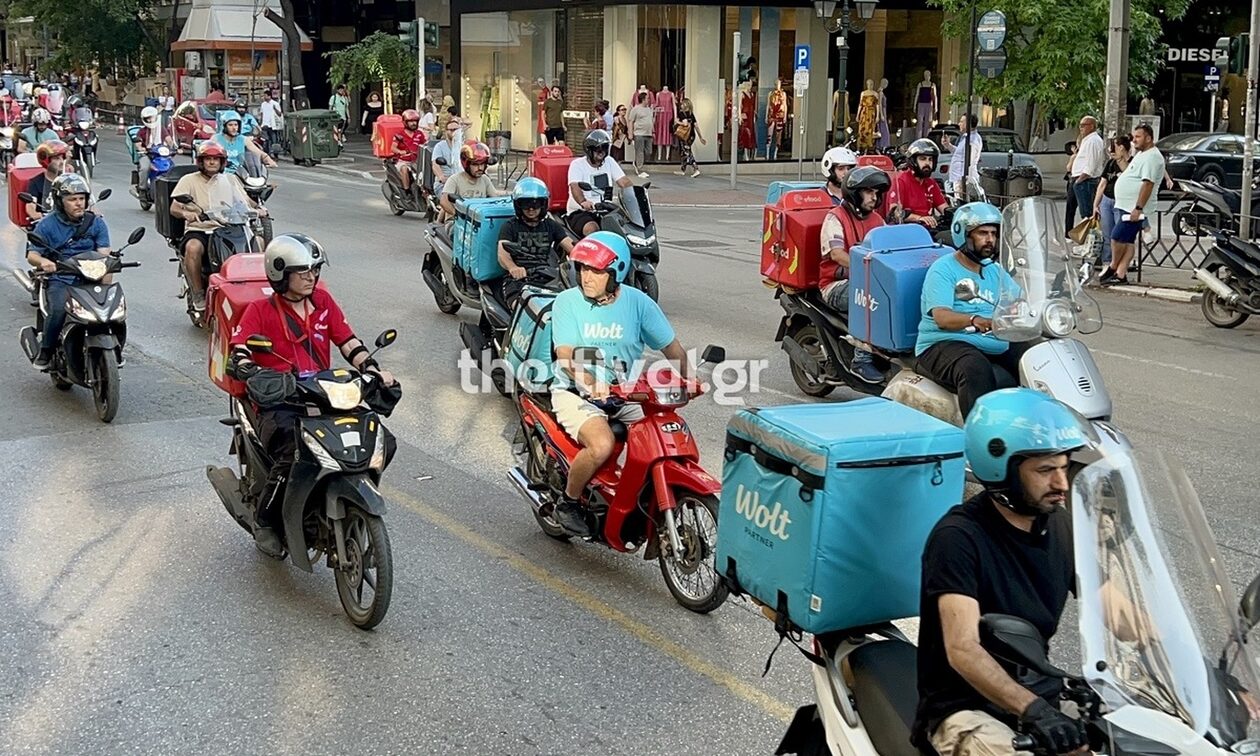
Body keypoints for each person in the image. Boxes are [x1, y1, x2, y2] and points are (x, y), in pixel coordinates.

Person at [913, 388, 1091, 756]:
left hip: (1034, 698)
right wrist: (1035, 710)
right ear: (1002, 468)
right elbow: (963, 649)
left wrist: (1195, 673)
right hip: (965, 709)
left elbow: (1118, 611)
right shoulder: (958, 538)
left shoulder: (1060, 526)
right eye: (1045, 471)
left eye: (1063, 467)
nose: (1061, 484)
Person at [228, 234, 397, 557]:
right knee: (292, 452)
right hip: (280, 401)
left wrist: (373, 369)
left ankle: (347, 491)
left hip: (324, 395)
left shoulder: (323, 302)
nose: (311, 276)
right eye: (301, 271)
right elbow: (238, 352)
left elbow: (348, 342)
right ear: (280, 274)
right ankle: (266, 520)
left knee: (382, 441)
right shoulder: (259, 311)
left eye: (314, 270)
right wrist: (251, 369)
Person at [548, 231, 690, 537]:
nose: (586, 276)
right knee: (602, 445)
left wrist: (689, 378)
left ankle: (641, 497)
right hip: (575, 393)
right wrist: (588, 382)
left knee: (663, 435)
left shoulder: (639, 303)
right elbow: (565, 354)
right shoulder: (567, 302)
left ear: (617, 271)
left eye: (596, 270)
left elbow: (672, 348)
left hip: (624, 394)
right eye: (583, 268)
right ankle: (568, 502)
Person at [914, 202, 1033, 420]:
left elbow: (1019, 299)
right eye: (982, 233)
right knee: (973, 367)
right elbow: (941, 317)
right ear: (964, 235)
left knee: (1036, 356)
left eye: (994, 234)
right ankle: (978, 437)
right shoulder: (943, 269)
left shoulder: (994, 271)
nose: (990, 239)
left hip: (993, 339)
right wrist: (977, 320)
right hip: (943, 342)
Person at [26, 173, 111, 370]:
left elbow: (104, 253)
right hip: (60, 279)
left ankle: (113, 348)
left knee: (112, 309)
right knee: (57, 309)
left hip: (89, 277)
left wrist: (107, 267)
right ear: (59, 201)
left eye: (81, 199)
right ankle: (46, 350)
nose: (79, 204)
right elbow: (32, 255)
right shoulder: (47, 225)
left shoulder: (96, 222)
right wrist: (45, 262)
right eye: (72, 199)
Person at [169, 142, 265, 312]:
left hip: (228, 227)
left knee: (258, 242)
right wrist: (187, 214)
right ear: (201, 162)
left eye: (216, 159)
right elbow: (175, 208)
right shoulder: (188, 180)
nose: (212, 162)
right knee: (193, 248)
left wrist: (257, 209)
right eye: (208, 159)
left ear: (222, 162)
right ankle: (198, 292)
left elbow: (244, 200)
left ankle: (256, 289)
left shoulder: (230, 179)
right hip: (201, 229)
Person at [818, 166, 889, 385]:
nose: (874, 198)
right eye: (869, 192)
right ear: (854, 193)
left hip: (869, 280)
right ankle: (860, 359)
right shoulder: (835, 218)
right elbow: (837, 254)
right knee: (867, 296)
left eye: (877, 193)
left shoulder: (877, 220)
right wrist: (867, 268)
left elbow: (890, 246)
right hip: (835, 284)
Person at [496, 177, 574, 308]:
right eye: (526, 204)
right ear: (518, 205)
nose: (531, 209)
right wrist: (513, 268)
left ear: (543, 204)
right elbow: (502, 254)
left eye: (536, 204)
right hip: (518, 280)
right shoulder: (509, 226)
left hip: (548, 277)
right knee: (521, 309)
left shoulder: (552, 226)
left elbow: (571, 246)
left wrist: (587, 255)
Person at [1103, 123, 1163, 287]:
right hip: (1127, 205)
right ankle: (1121, 274)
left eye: (1138, 137)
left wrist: (1138, 208)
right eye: (1134, 136)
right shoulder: (1142, 154)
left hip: (1133, 208)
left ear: (1149, 138)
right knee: (1127, 241)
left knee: (1116, 237)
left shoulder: (1152, 157)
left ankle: (1113, 266)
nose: (1134, 140)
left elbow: (1147, 184)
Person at [566, 130, 633, 238]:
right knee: (593, 228)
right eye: (597, 148)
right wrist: (583, 202)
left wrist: (636, 193)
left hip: (606, 210)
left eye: (604, 147)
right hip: (581, 212)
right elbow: (575, 187)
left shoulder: (609, 161)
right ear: (589, 149)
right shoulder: (577, 165)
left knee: (625, 229)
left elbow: (624, 182)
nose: (601, 151)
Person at [1090, 135, 1131, 271]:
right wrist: (1096, 205)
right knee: (1107, 233)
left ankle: (1119, 263)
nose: (1112, 149)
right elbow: (1102, 184)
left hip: (1122, 202)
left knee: (1119, 235)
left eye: (1116, 146)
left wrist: (1121, 160)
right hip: (1107, 199)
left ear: (1123, 147)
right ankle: (1107, 262)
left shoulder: (1131, 163)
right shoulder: (1110, 164)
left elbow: (1129, 177)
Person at [439, 141, 502, 216]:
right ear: (467, 164)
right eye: (475, 165)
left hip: (479, 220)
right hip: (457, 223)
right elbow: (444, 201)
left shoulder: (485, 179)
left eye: (482, 164)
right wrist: (458, 215)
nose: (480, 168)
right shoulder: (454, 179)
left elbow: (495, 199)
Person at [898, 138, 948, 229]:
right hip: (907, 230)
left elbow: (944, 208)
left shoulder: (931, 183)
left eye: (930, 159)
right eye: (923, 159)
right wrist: (919, 218)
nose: (927, 163)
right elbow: (896, 213)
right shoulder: (901, 181)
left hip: (928, 229)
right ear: (913, 161)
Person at [214, 112, 275, 177]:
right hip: (222, 174)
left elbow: (257, 152)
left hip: (241, 174)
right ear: (224, 126)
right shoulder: (216, 139)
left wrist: (268, 159)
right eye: (230, 125)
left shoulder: (243, 139)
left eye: (236, 125)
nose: (234, 128)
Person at [1070, 115, 1107, 224]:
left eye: (1083, 125)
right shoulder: (1087, 140)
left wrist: (1079, 180)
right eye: (1080, 125)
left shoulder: (1093, 141)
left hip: (1086, 181)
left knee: (1088, 212)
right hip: (1081, 179)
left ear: (1091, 126)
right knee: (1078, 210)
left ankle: (1093, 236)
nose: (1080, 128)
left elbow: (1091, 165)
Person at [24, 140, 70, 224]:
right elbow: (30, 205)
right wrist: (37, 215)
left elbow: (85, 199)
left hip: (69, 220)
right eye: (56, 158)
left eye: (62, 158)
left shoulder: (69, 178)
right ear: (46, 160)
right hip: (47, 222)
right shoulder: (36, 182)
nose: (61, 161)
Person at [132, 105, 176, 180]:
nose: (150, 120)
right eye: (148, 119)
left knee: (172, 167)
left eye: (152, 117)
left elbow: (169, 140)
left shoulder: (161, 129)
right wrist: (141, 148)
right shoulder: (142, 131)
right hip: (147, 155)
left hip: (160, 154)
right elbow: (138, 143)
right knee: (145, 168)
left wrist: (174, 147)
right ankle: (143, 188)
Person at [946, 115, 983, 201]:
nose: (959, 124)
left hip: (963, 178)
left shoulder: (972, 140)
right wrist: (948, 145)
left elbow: (970, 160)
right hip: (959, 177)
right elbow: (960, 154)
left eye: (962, 122)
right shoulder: (967, 138)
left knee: (962, 202)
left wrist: (964, 180)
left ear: (968, 124)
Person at [391, 108, 427, 193]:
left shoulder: (419, 134)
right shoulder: (399, 135)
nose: (413, 123)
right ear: (405, 122)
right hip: (403, 161)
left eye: (415, 121)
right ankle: (406, 191)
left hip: (417, 161)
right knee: (404, 169)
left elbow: (425, 145)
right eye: (411, 121)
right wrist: (401, 152)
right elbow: (393, 148)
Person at [674, 98, 706, 178]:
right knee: (684, 152)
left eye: (682, 104)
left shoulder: (682, 114)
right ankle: (683, 170)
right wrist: (700, 137)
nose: (681, 105)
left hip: (685, 136)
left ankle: (696, 169)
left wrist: (677, 122)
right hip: (692, 135)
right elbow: (696, 126)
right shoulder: (691, 114)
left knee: (687, 152)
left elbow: (685, 124)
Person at [627, 92, 654, 179]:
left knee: (648, 151)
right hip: (639, 133)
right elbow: (631, 121)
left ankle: (637, 162)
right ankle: (639, 169)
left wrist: (653, 131)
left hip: (648, 133)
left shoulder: (649, 109)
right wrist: (630, 134)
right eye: (647, 98)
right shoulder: (636, 109)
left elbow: (650, 121)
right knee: (640, 151)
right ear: (643, 100)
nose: (649, 100)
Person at [431, 117, 461, 186]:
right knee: (447, 194)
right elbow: (435, 165)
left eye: (456, 130)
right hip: (445, 182)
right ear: (446, 131)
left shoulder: (464, 147)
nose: (454, 132)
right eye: (451, 130)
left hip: (462, 182)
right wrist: (441, 177)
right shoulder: (439, 146)